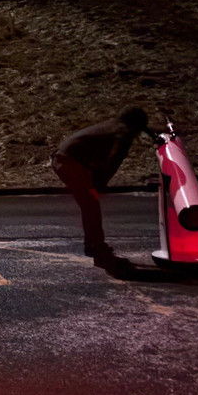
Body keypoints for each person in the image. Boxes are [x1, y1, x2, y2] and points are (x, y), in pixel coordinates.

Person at [52, 106, 157, 272]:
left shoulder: (112, 126)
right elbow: (114, 160)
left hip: (64, 159)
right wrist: (99, 184)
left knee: (89, 206)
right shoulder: (123, 132)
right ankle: (100, 253)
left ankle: (92, 245)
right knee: (91, 206)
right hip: (71, 163)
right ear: (135, 125)